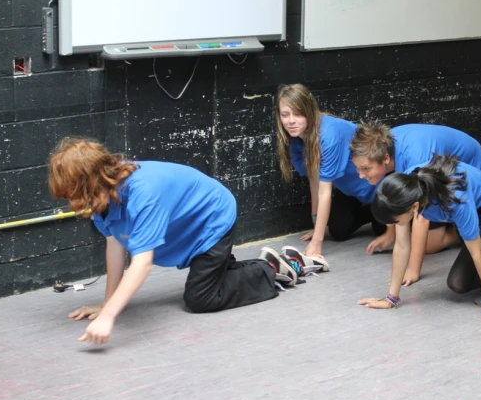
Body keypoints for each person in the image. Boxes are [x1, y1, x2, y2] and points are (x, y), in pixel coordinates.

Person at [48, 138, 324, 345]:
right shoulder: (103, 198)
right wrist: (107, 303)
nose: (74, 205)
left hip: (211, 221)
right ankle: (239, 268)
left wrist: (109, 317)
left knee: (201, 299)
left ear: (94, 182)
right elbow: (115, 246)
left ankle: (273, 269)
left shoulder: (143, 193)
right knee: (207, 282)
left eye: (76, 195)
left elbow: (142, 263)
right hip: (186, 229)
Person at [350, 121, 481, 285]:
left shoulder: (415, 157)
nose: (360, 175)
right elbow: (397, 200)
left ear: (385, 158)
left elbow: (420, 218)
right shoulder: (384, 149)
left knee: (457, 235)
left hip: (471, 178)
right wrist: (391, 232)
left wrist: (413, 270)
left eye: (366, 169)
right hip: (441, 187)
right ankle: (467, 232)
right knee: (432, 244)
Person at [358, 154, 481, 319]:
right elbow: (402, 246)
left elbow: (476, 252)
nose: (395, 226)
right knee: (471, 271)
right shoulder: (407, 190)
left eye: (396, 221)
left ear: (414, 207)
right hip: (469, 206)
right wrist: (391, 299)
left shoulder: (455, 202)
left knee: (459, 283)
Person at [276, 83, 377, 258]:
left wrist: (317, 243)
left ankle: (378, 213)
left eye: (298, 114)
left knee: (381, 226)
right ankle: (371, 213)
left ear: (310, 112)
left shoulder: (329, 135)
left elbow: (325, 192)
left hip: (375, 184)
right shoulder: (297, 141)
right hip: (350, 190)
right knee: (338, 231)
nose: (291, 121)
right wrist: (316, 227)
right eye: (285, 115)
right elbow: (314, 181)